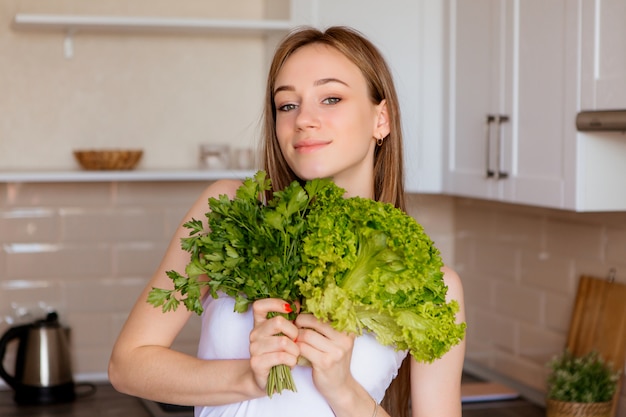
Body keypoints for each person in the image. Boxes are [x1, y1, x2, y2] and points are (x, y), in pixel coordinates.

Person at [108, 26, 466, 417]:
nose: (304, 120)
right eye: (287, 105)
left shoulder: (431, 286)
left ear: (382, 119)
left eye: (331, 98)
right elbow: (128, 365)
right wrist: (248, 377)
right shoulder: (233, 214)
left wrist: (343, 390)